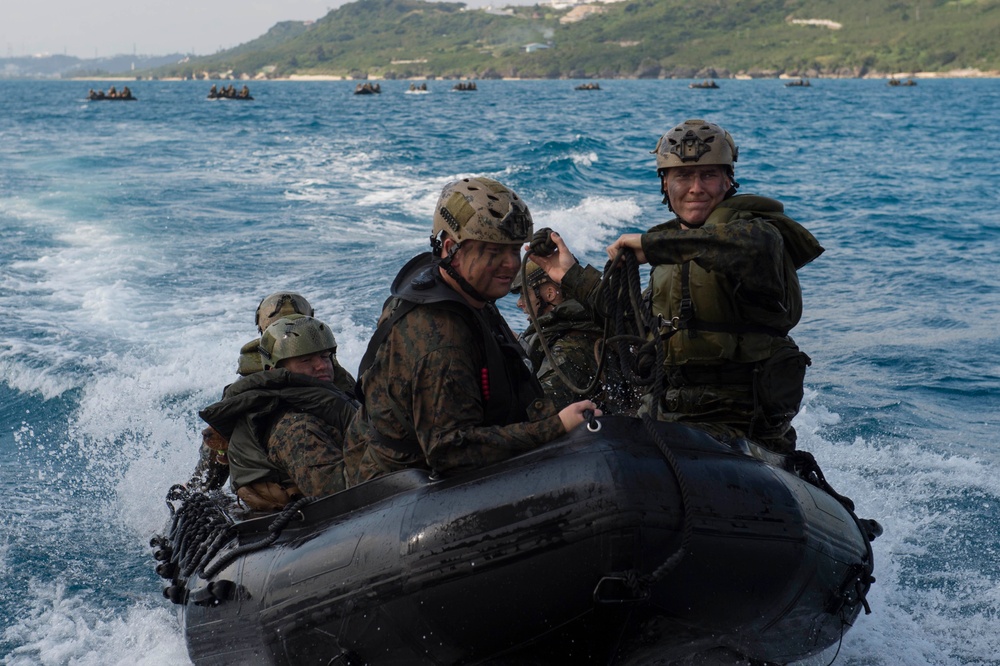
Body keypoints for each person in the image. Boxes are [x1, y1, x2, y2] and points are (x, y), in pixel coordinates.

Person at [530, 119, 824, 453]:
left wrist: (652, 246)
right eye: (683, 176)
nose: (696, 187)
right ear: (665, 184)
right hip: (670, 413)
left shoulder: (756, 235)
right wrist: (569, 274)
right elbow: (635, 324)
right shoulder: (670, 249)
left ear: (728, 182)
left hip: (740, 424)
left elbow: (750, 247)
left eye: (709, 175)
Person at [343, 177, 600, 486]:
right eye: (494, 252)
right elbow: (449, 451)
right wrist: (555, 428)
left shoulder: (464, 292)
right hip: (400, 488)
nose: (510, 264)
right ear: (452, 249)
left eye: (515, 250)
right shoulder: (440, 337)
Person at [188, 291, 356, 492]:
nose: (320, 365)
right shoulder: (251, 392)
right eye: (305, 358)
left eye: (323, 356)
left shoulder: (332, 372)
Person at [512, 260, 636, 414]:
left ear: (549, 293)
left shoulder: (568, 351)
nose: (519, 303)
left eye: (524, 294)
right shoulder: (584, 326)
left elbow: (534, 413)